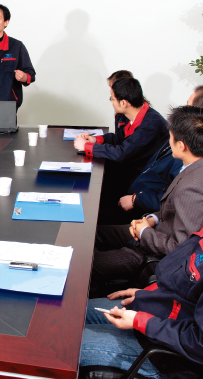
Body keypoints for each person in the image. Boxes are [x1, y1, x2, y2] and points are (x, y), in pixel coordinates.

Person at [91, 105, 203, 286]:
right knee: (92, 234)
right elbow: (173, 210)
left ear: (181, 146)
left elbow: (181, 248)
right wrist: (152, 220)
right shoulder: (192, 167)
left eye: (171, 137)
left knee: (81, 262)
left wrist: (144, 232)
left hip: (151, 253)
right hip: (154, 230)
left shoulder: (192, 187)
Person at [80, 228, 203, 378]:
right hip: (153, 311)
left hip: (163, 354)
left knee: (64, 342)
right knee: (75, 313)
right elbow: (181, 281)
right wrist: (149, 293)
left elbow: (198, 343)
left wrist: (140, 321)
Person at [74, 77, 168, 206]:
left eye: (112, 99)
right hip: (132, 167)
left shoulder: (149, 125)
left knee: (95, 179)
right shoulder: (140, 115)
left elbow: (122, 154)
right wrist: (95, 139)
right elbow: (120, 138)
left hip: (141, 178)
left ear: (123, 103)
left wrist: (87, 147)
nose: (111, 102)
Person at [115, 87, 203, 219]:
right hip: (139, 197)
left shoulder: (188, 157)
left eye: (187, 105)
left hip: (143, 210)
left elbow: (172, 201)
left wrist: (136, 201)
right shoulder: (180, 139)